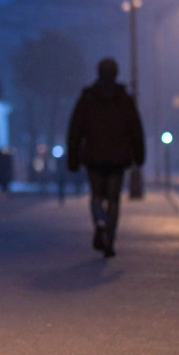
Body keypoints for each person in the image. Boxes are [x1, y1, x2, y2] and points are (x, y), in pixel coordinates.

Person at [66, 58, 146, 257]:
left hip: (93, 156)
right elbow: (135, 129)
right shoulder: (124, 100)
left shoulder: (87, 98)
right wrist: (138, 155)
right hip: (118, 158)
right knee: (114, 198)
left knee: (97, 196)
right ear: (116, 73)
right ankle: (109, 240)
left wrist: (73, 156)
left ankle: (100, 222)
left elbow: (75, 130)